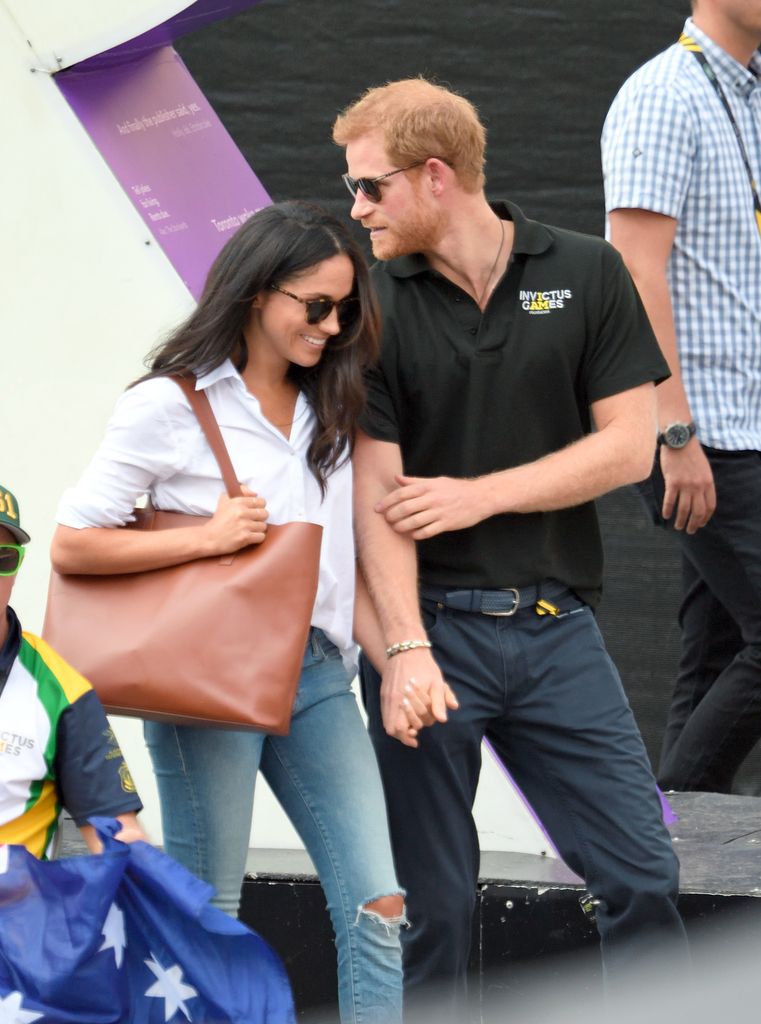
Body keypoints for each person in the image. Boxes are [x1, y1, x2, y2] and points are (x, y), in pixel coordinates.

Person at [332, 78, 689, 1019]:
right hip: (429, 635)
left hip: (553, 628)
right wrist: (403, 650)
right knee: (436, 911)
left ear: (435, 176)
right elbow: (379, 497)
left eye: (370, 187)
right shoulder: (373, 303)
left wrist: (474, 498)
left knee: (643, 876)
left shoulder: (586, 270)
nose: (356, 207)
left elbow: (628, 445)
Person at [50, 201, 404, 1024]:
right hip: (208, 676)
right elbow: (72, 546)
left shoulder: (334, 406)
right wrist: (208, 540)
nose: (331, 324)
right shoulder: (170, 405)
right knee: (210, 910)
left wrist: (400, 660)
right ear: (255, 293)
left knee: (378, 901)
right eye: (314, 305)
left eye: (344, 308)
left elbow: (337, 567)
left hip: (314, 669)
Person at [602, 0, 761, 793]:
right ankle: (659, 856)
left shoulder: (749, 94)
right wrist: (673, 433)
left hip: (746, 422)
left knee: (719, 647)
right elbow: (633, 272)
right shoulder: (663, 94)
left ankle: (671, 866)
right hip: (700, 431)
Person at [0, 483, 144, 857]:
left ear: (15, 570)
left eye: (2, 558)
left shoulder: (61, 689)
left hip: (16, 910)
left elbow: (117, 834)